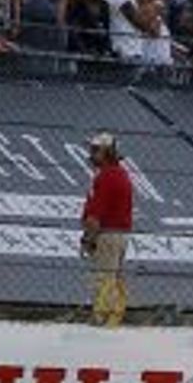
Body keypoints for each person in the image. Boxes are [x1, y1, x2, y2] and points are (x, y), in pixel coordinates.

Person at [79, 130, 134, 328]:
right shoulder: (121, 174)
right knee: (113, 275)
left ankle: (102, 318)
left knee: (103, 276)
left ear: (108, 153)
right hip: (120, 234)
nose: (91, 155)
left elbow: (96, 214)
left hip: (107, 234)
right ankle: (114, 317)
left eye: (96, 151)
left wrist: (89, 237)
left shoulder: (105, 178)